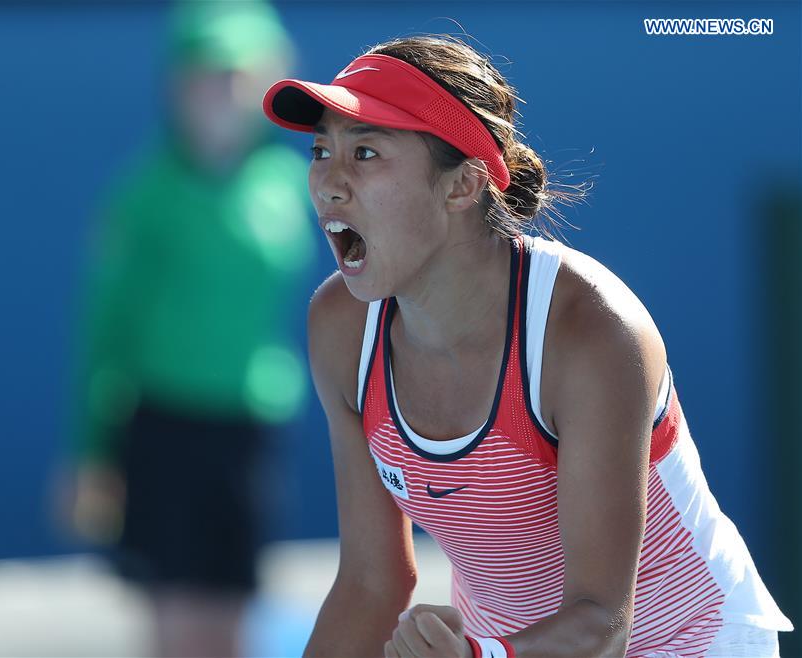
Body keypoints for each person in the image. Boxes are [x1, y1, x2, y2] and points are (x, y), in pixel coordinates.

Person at [260, 35, 794, 657]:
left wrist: (481, 656)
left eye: (367, 152)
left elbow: (601, 624)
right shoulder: (341, 325)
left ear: (461, 186)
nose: (327, 183)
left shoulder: (590, 330)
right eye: (322, 150)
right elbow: (370, 584)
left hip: (692, 642)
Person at [66, 2, 314, 657]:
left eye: (238, 74)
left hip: (249, 430)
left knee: (234, 615)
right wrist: (92, 454)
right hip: (163, 428)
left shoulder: (292, 184)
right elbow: (104, 331)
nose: (221, 92)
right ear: (175, 84)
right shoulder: (144, 195)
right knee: (176, 619)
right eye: (205, 74)